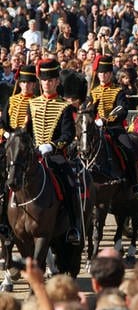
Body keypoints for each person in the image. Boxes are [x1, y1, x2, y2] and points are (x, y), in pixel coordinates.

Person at [25, 59, 81, 245]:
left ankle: (73, 226)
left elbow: (68, 134)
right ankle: (6, 224)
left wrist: (52, 146)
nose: (47, 83)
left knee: (70, 183)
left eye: (51, 80)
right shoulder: (32, 105)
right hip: (33, 155)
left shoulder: (65, 107)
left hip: (55, 155)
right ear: (40, 82)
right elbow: (27, 133)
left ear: (57, 82)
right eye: (44, 80)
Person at [90, 55, 138, 198]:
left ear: (111, 74)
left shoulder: (118, 91)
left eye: (106, 73)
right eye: (101, 73)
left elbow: (122, 109)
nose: (103, 75)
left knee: (129, 149)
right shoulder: (92, 92)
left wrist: (106, 120)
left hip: (114, 129)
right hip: (95, 130)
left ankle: (135, 184)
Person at [0, 65, 37, 239]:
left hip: (29, 147)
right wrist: (6, 134)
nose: (26, 86)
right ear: (19, 84)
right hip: (10, 145)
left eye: (30, 83)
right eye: (23, 83)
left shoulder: (37, 101)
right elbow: (2, 123)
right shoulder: (12, 101)